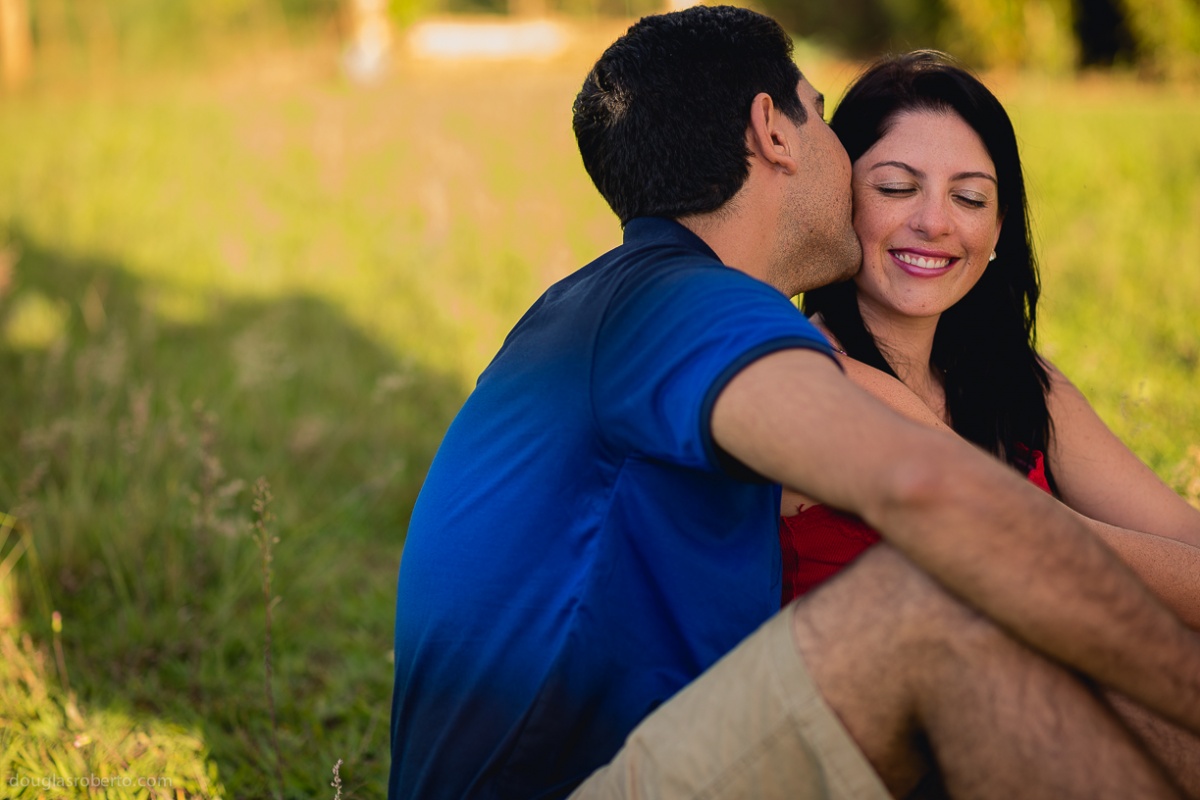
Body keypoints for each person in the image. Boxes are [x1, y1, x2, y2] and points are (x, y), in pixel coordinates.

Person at [389, 7, 1200, 799]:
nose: (843, 158)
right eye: (824, 117)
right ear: (775, 131)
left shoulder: (623, 302)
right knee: (936, 591)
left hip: (666, 751)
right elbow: (926, 489)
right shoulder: (687, 304)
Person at [781, 50, 1200, 605]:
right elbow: (1048, 549)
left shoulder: (1018, 382)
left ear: (998, 228)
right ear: (840, 201)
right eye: (896, 188)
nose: (934, 222)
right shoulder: (806, 383)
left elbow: (1183, 538)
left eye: (969, 197)